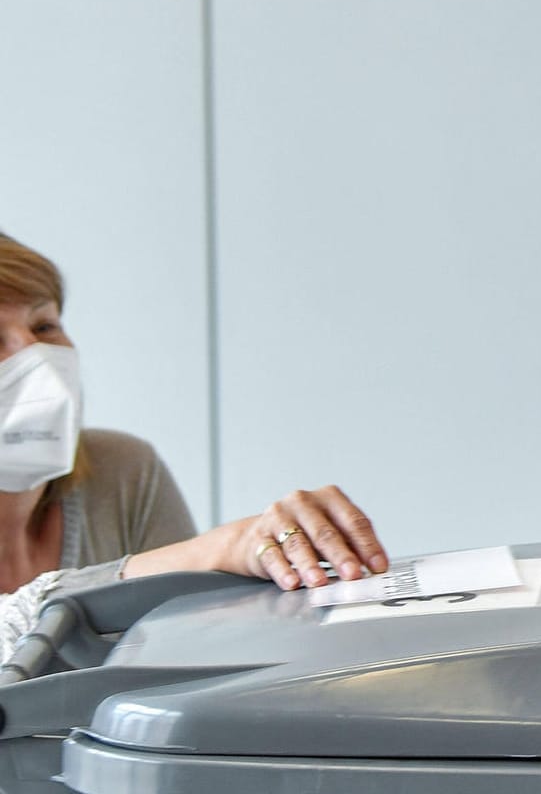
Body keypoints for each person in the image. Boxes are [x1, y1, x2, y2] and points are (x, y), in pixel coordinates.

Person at [0, 232, 389, 658]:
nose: (36, 356)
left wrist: (286, 574)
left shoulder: (125, 470)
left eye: (45, 326)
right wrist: (215, 550)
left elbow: (185, 644)